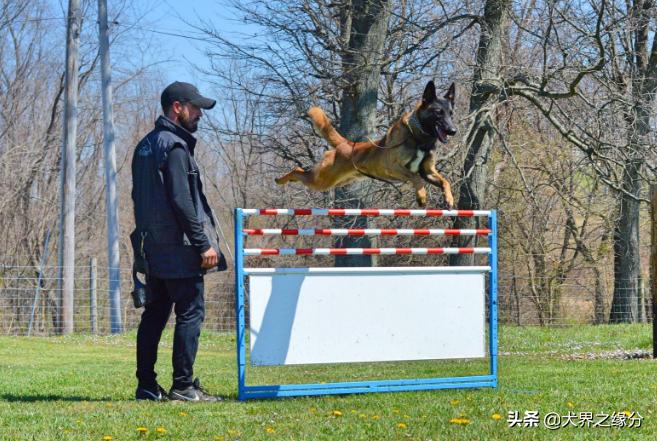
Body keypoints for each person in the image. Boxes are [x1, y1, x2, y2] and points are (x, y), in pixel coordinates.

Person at [130, 81, 227, 401]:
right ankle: (183, 386)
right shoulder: (174, 147)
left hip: (153, 247)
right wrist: (202, 243)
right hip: (179, 248)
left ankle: (146, 386)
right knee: (190, 312)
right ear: (177, 107)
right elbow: (182, 201)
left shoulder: (145, 145)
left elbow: (139, 198)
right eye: (195, 107)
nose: (200, 113)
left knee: (155, 314)